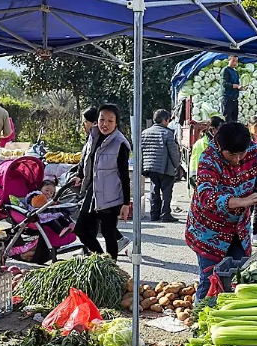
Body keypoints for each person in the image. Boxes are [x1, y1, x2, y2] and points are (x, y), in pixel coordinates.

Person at [186, 122, 257, 300]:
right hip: (209, 232)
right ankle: (199, 321)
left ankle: (226, 316)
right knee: (210, 280)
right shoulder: (209, 158)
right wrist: (243, 201)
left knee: (240, 276)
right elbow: (206, 196)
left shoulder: (254, 152)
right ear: (221, 147)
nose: (237, 159)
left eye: (242, 153)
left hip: (238, 231)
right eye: (232, 154)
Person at [72, 104, 131, 258]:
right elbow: (86, 159)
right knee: (80, 229)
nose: (105, 124)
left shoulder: (120, 144)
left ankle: (111, 269)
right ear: (96, 120)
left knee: (108, 234)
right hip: (93, 190)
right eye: (102, 119)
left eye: (110, 121)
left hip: (111, 194)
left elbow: (125, 175)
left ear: (116, 123)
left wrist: (125, 203)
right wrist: (80, 175)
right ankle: (101, 259)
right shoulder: (93, 136)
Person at [140, 109, 181, 223]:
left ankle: (154, 214)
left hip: (151, 168)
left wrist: (142, 167)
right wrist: (177, 165)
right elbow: (173, 152)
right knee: (167, 192)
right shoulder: (168, 133)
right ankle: (166, 214)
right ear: (164, 120)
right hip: (165, 168)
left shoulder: (145, 133)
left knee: (154, 190)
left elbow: (140, 151)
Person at [189, 116, 224, 188]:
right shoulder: (200, 144)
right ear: (213, 129)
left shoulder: (220, 142)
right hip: (203, 181)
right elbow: (195, 166)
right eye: (220, 129)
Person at [220, 55, 241, 123]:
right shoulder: (225, 70)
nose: (235, 63)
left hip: (235, 100)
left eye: (236, 61)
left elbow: (237, 84)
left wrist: (240, 88)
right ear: (228, 61)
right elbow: (224, 84)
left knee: (234, 121)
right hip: (227, 99)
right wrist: (236, 86)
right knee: (227, 121)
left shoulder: (235, 72)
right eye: (233, 61)